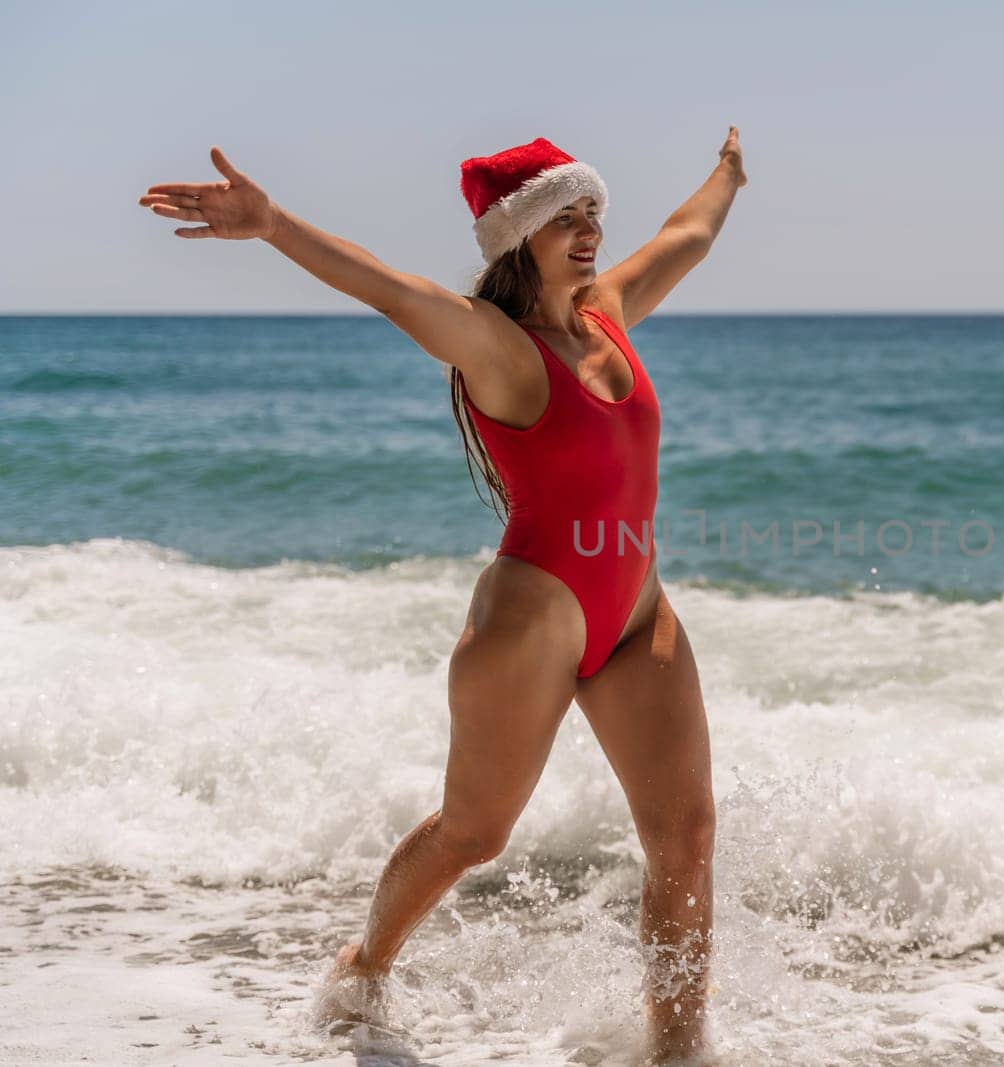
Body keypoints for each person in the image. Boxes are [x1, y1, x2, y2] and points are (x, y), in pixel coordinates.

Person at [138, 128, 747, 1064]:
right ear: (518, 237)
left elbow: (687, 236)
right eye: (563, 218)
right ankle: (364, 963)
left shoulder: (611, 311)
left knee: (688, 836)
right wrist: (270, 225)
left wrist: (726, 175)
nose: (587, 233)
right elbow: (386, 285)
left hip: (635, 612)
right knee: (474, 832)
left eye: (592, 214)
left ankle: (678, 1049)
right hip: (532, 619)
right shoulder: (496, 347)